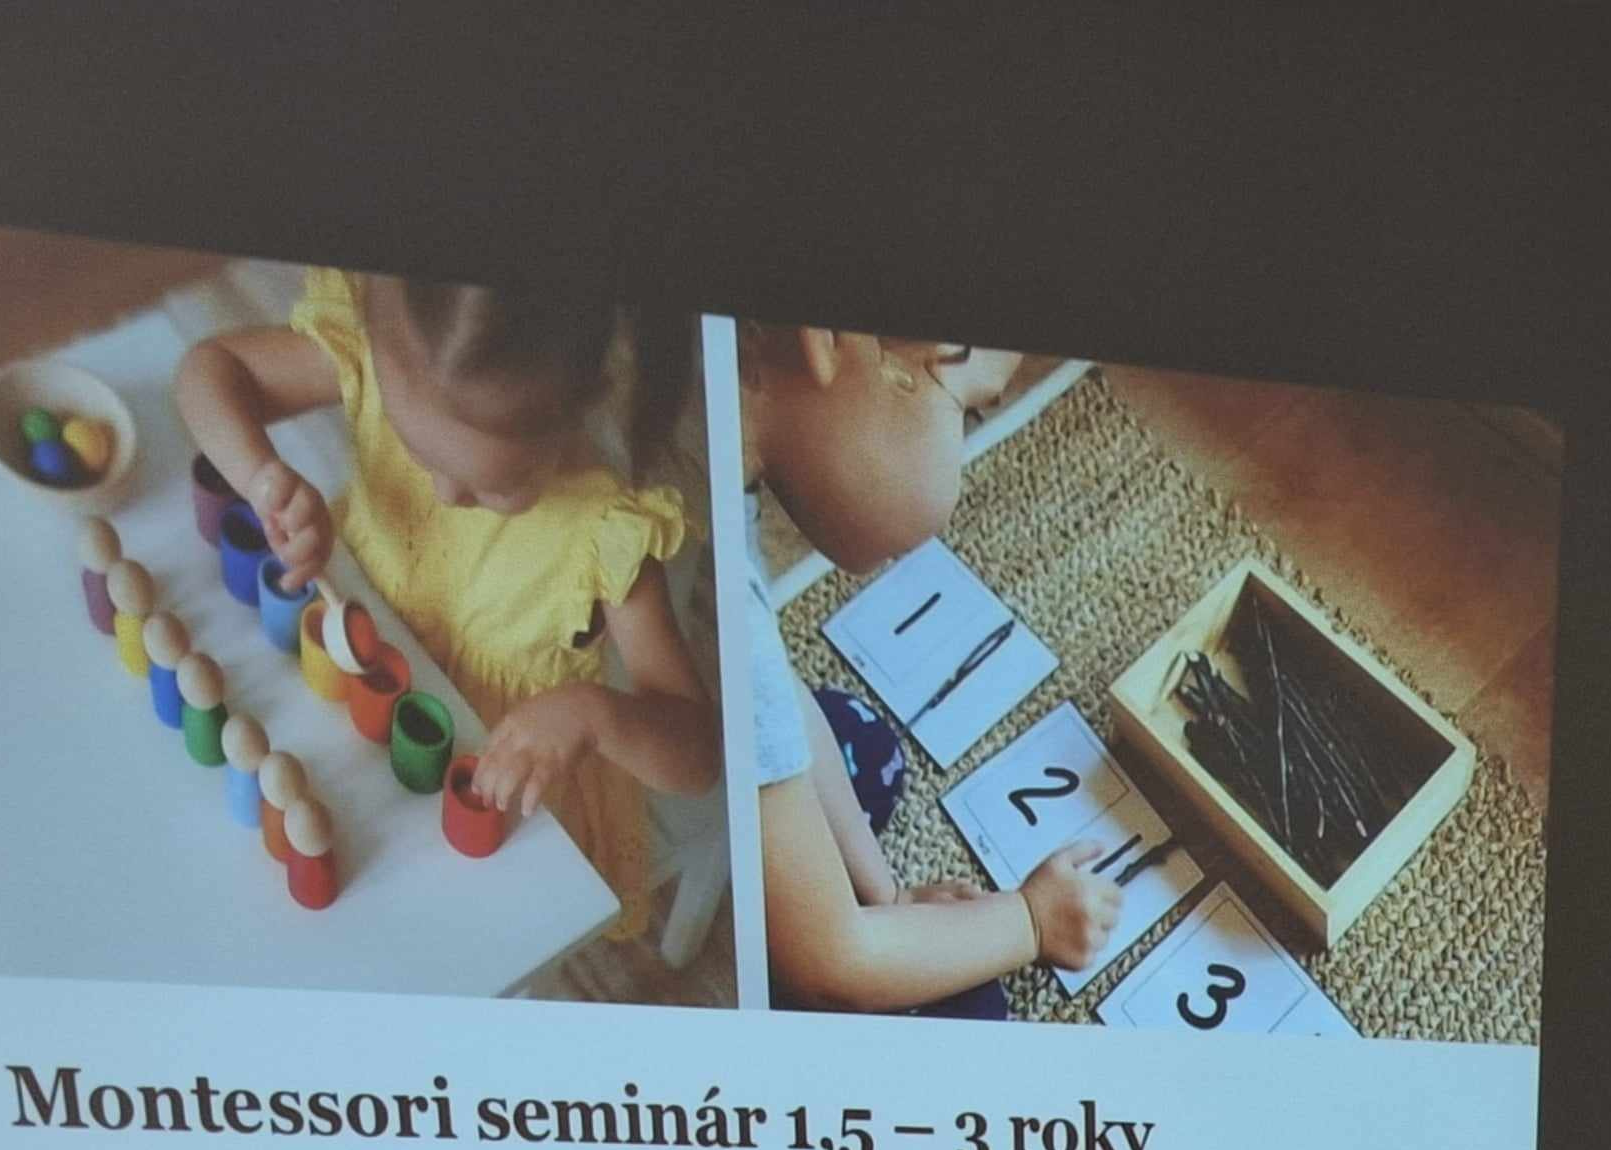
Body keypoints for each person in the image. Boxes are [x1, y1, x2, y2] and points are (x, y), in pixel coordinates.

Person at [177, 270, 721, 938]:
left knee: (455, 941)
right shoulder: (381, 355)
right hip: (345, 711)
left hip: (488, 787)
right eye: (415, 449)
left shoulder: (604, 537)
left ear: (578, 409)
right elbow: (209, 371)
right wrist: (264, 480)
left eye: (495, 487)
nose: (444, 494)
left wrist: (596, 715)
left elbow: (698, 759)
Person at [738, 324, 1122, 1013]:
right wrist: (1030, 922)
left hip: (673, 775)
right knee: (969, 1010)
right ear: (827, 340)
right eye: (966, 411)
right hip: (658, 876)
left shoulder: (706, 452)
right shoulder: (716, 611)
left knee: (859, 744)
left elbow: (779, 701)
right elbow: (831, 966)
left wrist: (887, 896)